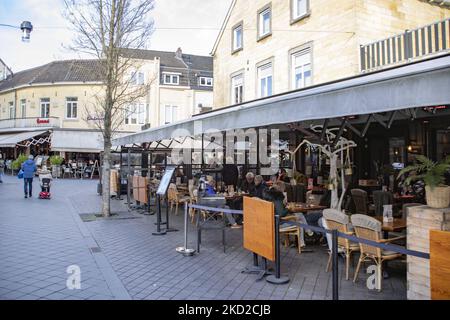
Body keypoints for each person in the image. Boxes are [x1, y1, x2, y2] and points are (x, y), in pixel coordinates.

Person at [263, 181, 312, 248]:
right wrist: (288, 209)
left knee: (299, 214)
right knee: (299, 221)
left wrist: (285, 207)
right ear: (281, 189)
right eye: (284, 189)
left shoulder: (270, 197)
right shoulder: (278, 198)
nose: (285, 191)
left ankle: (306, 233)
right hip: (279, 224)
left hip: (273, 222)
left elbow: (278, 211)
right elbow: (281, 214)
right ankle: (303, 239)